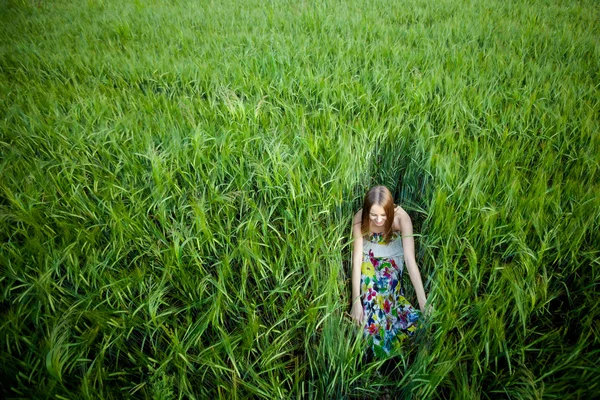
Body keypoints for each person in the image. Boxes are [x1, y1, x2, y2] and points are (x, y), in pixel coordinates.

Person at [350, 185, 428, 356]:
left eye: (384, 215)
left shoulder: (402, 219)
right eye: (374, 215)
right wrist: (356, 300)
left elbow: (410, 260)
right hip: (368, 258)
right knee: (369, 294)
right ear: (367, 211)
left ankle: (386, 346)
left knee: (387, 295)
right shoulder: (359, 218)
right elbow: (356, 260)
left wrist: (423, 302)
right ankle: (376, 351)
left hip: (392, 258)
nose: (379, 220)